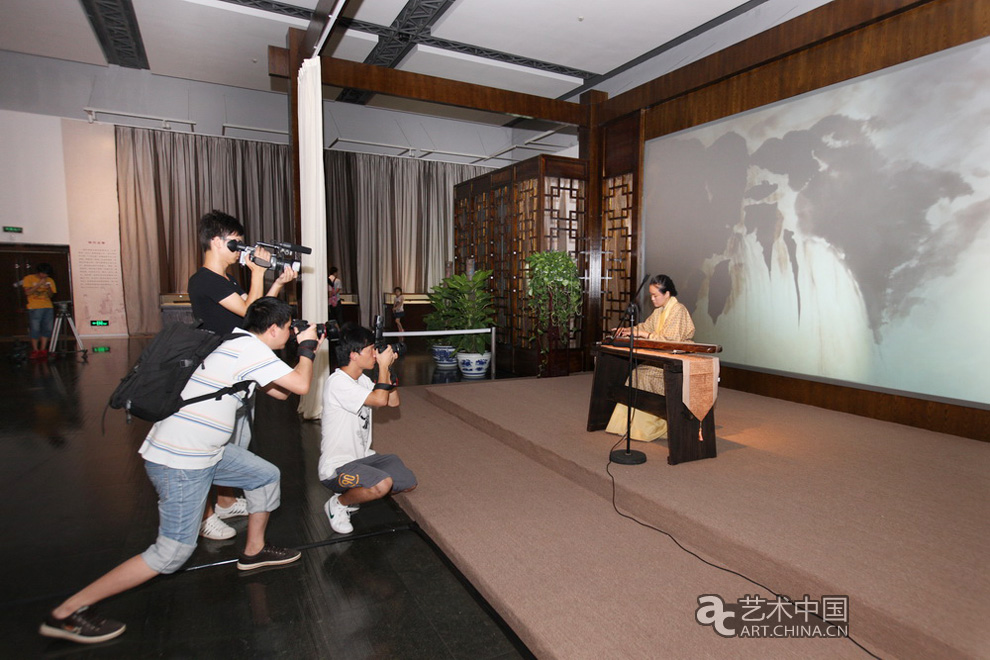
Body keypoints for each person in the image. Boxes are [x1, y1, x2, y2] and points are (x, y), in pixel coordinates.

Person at [39, 297, 322, 645]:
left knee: (263, 475)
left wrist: (299, 355)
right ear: (274, 328)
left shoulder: (237, 343)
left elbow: (279, 393)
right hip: (181, 460)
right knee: (171, 553)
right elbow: (302, 386)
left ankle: (254, 550)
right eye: (291, 327)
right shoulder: (249, 350)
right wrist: (308, 349)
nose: (294, 333)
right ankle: (69, 612)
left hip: (207, 452)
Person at [188, 210, 297, 540]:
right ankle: (203, 516)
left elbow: (256, 316)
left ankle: (225, 501)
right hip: (217, 374)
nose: (240, 249)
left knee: (236, 442)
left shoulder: (227, 281)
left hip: (236, 369)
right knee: (213, 446)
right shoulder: (205, 279)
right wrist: (258, 273)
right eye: (235, 241)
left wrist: (274, 282)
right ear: (217, 240)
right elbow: (250, 310)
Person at [319, 323, 416, 535]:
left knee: (408, 482)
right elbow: (380, 401)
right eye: (370, 349)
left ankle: (359, 491)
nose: (375, 353)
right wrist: (381, 367)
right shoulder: (337, 383)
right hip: (337, 467)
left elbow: (392, 402)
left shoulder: (361, 379)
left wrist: (388, 368)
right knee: (382, 484)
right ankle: (340, 503)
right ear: (354, 355)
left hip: (362, 458)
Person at [605, 274, 695, 442]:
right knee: (636, 375)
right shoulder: (659, 311)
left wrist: (644, 334)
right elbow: (645, 326)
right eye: (651, 295)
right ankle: (628, 426)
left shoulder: (678, 310)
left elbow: (670, 340)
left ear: (667, 294)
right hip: (661, 360)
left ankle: (648, 428)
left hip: (675, 364)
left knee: (642, 375)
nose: (652, 299)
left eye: (656, 295)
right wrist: (628, 331)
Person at [21, 263, 56, 360]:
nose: (45, 276)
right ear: (39, 272)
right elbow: (27, 292)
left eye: (47, 274)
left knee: (47, 328)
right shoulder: (29, 278)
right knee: (35, 328)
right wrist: (39, 284)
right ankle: (35, 350)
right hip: (34, 307)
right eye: (43, 274)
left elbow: (51, 295)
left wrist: (48, 288)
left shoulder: (50, 280)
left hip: (48, 306)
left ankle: (43, 349)